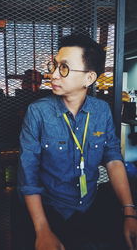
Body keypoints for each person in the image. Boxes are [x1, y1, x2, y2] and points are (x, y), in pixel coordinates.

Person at [17, 34, 137, 250]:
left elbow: (113, 159)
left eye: (63, 68)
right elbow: (28, 175)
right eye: (54, 66)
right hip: (49, 210)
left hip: (90, 206)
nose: (53, 74)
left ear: (89, 78)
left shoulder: (101, 111)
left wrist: (129, 211)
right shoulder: (38, 113)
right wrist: (42, 229)